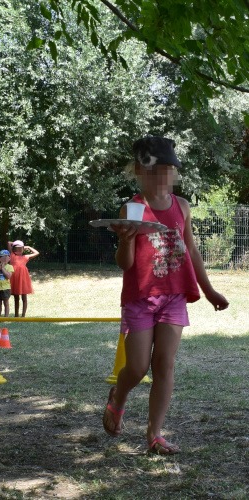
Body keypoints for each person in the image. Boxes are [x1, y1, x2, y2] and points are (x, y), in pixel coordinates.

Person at [102, 136, 229, 455]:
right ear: (139, 173)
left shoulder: (181, 207)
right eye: (155, 170)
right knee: (137, 367)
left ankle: (154, 435)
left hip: (173, 297)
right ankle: (118, 397)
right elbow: (126, 264)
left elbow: (192, 253)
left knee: (164, 365)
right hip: (140, 298)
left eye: (168, 170)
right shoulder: (133, 207)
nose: (163, 177)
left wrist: (208, 289)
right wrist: (124, 241)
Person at [7, 240, 39, 317]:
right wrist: (17, 244)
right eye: (17, 248)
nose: (19, 250)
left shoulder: (25, 257)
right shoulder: (12, 255)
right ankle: (16, 315)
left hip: (23, 280)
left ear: (23, 249)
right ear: (13, 249)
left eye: (20, 249)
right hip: (14, 280)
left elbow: (37, 253)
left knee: (24, 298)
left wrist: (27, 247)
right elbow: (9, 243)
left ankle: (23, 315)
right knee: (16, 298)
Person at [0, 250, 14, 317]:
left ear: (9, 258)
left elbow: (8, 276)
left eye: (6, 257)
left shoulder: (10, 267)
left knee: (6, 303)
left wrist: (3, 268)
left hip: (6, 288)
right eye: (2, 257)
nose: (4, 258)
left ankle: (6, 317)